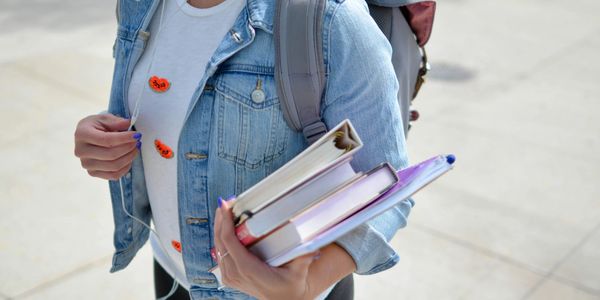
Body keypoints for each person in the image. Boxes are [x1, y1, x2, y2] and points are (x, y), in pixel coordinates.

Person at [74, 0, 416, 299]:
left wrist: (307, 285)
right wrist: (103, 142)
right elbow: (156, 110)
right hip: (172, 274)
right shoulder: (140, 5)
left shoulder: (332, 19)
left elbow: (386, 184)